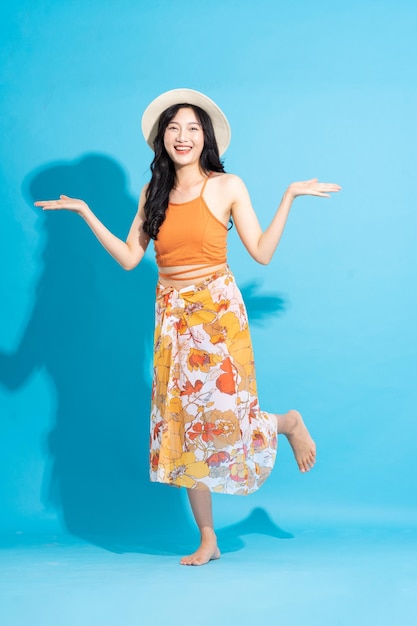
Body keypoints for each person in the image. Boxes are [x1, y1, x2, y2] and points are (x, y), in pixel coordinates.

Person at [35, 88, 341, 566]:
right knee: (186, 427)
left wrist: (289, 196)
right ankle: (208, 538)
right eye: (174, 128)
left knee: (222, 416)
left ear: (206, 138)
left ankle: (287, 423)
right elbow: (132, 259)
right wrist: (85, 212)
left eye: (193, 128)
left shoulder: (227, 186)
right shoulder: (153, 192)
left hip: (218, 315)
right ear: (163, 139)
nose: (183, 136)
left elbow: (260, 251)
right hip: (172, 318)